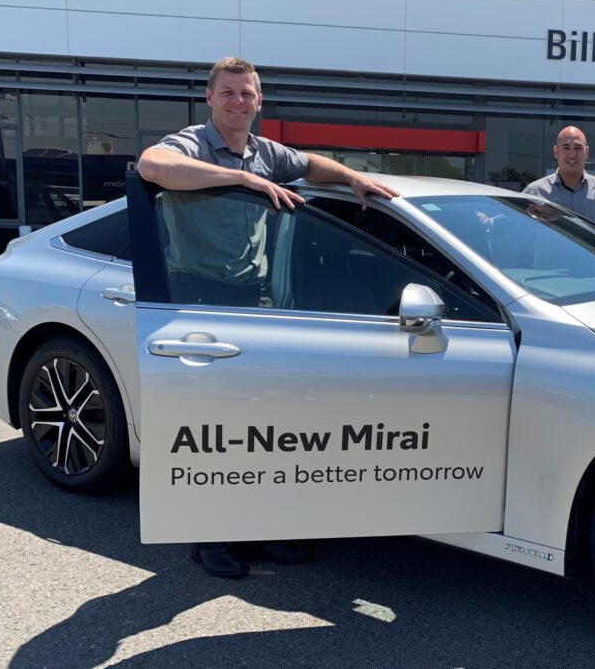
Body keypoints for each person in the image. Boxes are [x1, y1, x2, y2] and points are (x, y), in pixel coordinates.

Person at [136, 56, 398, 579]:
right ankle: (209, 538)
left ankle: (258, 529)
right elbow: (150, 166)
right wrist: (246, 181)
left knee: (256, 424)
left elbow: (311, 164)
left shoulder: (264, 151)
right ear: (209, 98)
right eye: (229, 92)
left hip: (253, 299)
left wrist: (353, 179)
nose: (239, 101)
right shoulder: (193, 143)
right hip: (196, 298)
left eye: (248, 93)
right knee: (208, 429)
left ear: (259, 101)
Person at [522, 126, 595, 239]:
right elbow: (518, 231)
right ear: (556, 151)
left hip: (589, 257)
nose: (572, 154)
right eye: (566, 148)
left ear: (586, 152)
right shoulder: (534, 192)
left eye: (578, 148)